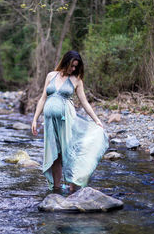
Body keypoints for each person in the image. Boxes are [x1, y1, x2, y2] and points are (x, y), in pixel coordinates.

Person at [31, 50, 108, 192]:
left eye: (75, 67)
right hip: (49, 122)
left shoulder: (76, 80)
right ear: (65, 62)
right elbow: (43, 98)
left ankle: (73, 185)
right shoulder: (51, 76)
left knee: (69, 152)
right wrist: (35, 119)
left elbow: (84, 102)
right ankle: (57, 187)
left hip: (67, 121)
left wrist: (97, 120)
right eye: (72, 65)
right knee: (54, 154)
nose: (73, 69)